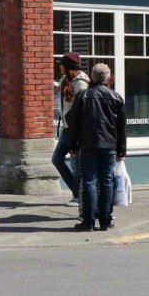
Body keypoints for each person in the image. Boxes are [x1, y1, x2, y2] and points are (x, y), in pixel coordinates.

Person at [65, 62, 126, 232]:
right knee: (106, 181)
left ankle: (89, 221)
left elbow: (74, 123)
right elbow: (121, 126)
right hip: (110, 145)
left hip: (88, 144)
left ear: (92, 77)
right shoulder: (116, 97)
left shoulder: (83, 97)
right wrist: (122, 149)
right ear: (108, 77)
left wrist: (73, 145)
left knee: (89, 181)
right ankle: (105, 220)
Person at [52, 52, 90, 203]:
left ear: (68, 67)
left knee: (76, 166)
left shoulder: (80, 83)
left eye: (61, 65)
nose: (59, 67)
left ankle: (80, 196)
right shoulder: (66, 79)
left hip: (76, 130)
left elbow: (83, 108)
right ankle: (78, 193)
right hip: (67, 128)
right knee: (57, 159)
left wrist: (77, 131)